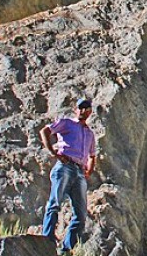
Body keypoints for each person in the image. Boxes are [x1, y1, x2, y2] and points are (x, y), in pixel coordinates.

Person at [40, 97, 98, 252]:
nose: (83, 111)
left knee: (81, 215)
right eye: (80, 108)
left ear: (90, 112)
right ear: (75, 109)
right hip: (65, 166)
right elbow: (45, 131)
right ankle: (47, 242)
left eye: (86, 108)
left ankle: (66, 250)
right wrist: (53, 153)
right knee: (55, 203)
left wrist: (88, 170)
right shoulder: (67, 123)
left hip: (79, 172)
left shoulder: (90, 134)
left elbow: (92, 155)